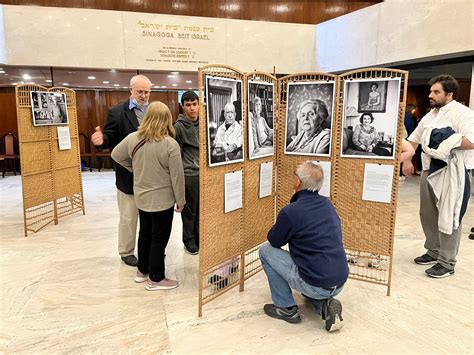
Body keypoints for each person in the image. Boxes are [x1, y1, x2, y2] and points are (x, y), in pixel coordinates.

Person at [259, 161, 348, 332]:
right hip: (339, 281)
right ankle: (324, 306)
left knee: (265, 251)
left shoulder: (291, 211)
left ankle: (285, 308)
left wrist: (280, 224)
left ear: (298, 182)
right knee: (314, 275)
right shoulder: (328, 205)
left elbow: (274, 241)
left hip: (315, 282)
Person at [404, 74, 474, 278]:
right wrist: (408, 160)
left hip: (453, 171)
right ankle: (433, 250)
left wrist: (440, 140)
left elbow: (471, 141)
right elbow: (415, 139)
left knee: (450, 216)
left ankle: (447, 261)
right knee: (427, 214)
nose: (430, 95)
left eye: (436, 92)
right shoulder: (430, 115)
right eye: (430, 91)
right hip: (428, 170)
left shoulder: (464, 114)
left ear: (449, 94)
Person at [111, 101, 185, 290]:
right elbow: (177, 176)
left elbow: (115, 155)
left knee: (144, 234)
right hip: (163, 200)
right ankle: (156, 278)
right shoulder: (170, 144)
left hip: (141, 197)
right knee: (159, 238)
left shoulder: (133, 138)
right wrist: (181, 200)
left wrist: (134, 169)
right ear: (167, 119)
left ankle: (142, 271)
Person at [91, 74, 152, 266]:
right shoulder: (117, 112)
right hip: (128, 176)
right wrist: (102, 141)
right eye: (140, 92)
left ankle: (149, 249)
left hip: (151, 176)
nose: (143, 96)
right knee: (129, 217)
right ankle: (126, 251)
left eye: (147, 92)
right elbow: (109, 136)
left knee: (149, 218)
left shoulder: (154, 112)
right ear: (131, 91)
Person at [174, 91, 200, 255]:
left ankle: (199, 236)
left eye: (194, 104)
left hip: (205, 174)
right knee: (189, 210)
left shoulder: (205, 123)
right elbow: (177, 154)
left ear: (199, 104)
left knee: (202, 210)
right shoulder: (178, 126)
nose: (192, 108)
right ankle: (188, 240)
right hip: (189, 174)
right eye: (188, 105)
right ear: (183, 107)